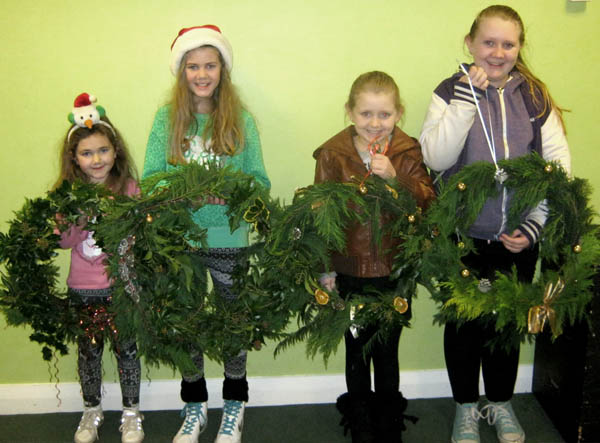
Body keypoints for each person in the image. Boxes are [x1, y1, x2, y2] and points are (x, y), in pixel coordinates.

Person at [419, 5, 571, 443]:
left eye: (509, 43)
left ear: (519, 48)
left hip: (518, 238)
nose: (498, 52)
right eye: (489, 42)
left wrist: (534, 227)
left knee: (505, 327)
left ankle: (501, 403)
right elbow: (435, 158)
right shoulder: (449, 91)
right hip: (463, 237)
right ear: (470, 43)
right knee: (464, 328)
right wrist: (467, 99)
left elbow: (557, 165)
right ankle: (466, 407)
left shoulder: (534, 97)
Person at [142, 25, 270, 443]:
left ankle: (235, 403)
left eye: (209, 65)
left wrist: (230, 193)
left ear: (222, 69)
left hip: (230, 242)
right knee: (187, 323)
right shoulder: (167, 119)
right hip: (183, 242)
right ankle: (194, 404)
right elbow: (151, 180)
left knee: (234, 322)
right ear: (181, 71)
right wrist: (187, 192)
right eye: (192, 65)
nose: (201, 73)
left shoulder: (241, 121)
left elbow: (259, 183)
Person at [313, 71, 435, 442]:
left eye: (384, 115)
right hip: (349, 269)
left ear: (398, 113)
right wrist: (325, 270)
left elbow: (428, 201)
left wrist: (396, 177)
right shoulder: (334, 154)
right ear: (350, 112)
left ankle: (388, 422)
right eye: (366, 114)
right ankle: (361, 423)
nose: (375, 124)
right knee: (355, 350)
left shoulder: (407, 151)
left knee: (386, 351)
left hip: (392, 268)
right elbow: (320, 215)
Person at [55, 93, 143, 443]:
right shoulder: (68, 195)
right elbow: (63, 241)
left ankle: (132, 412)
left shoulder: (130, 191)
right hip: (83, 287)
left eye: (103, 151)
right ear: (75, 160)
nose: (96, 159)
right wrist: (79, 218)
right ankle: (91, 410)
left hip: (121, 288)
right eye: (87, 153)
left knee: (128, 351)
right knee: (89, 353)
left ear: (115, 151)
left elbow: (141, 237)